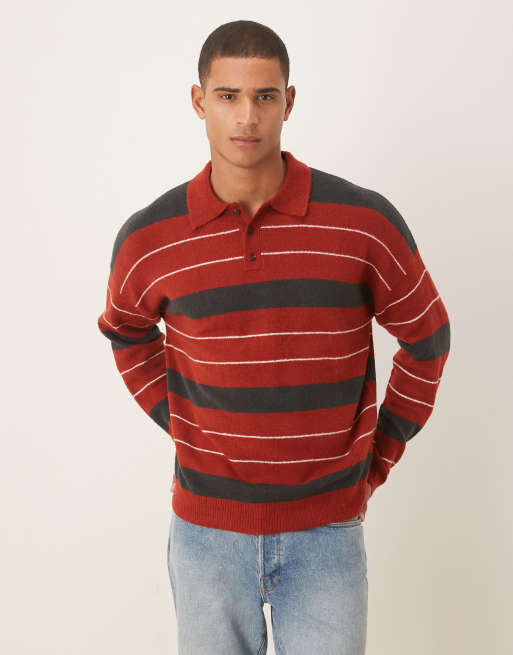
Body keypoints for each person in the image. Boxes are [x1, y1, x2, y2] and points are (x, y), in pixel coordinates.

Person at [97, 19, 450, 655]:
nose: (247, 117)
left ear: (289, 102)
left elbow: (427, 337)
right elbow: (125, 330)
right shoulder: (150, 238)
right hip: (206, 537)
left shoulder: (362, 222)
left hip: (327, 535)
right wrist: (184, 420)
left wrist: (378, 457)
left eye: (264, 96)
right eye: (228, 96)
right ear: (199, 101)